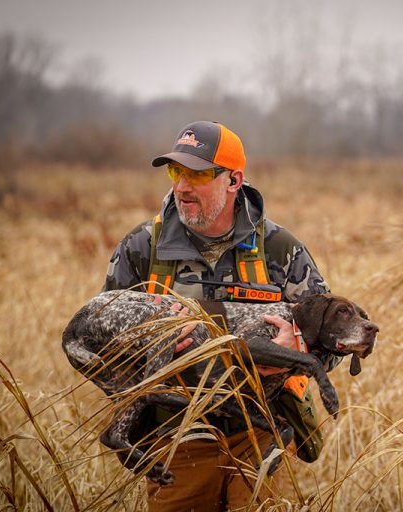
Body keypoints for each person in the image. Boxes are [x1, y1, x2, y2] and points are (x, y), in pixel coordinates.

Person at [102, 120, 332, 511]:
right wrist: (151, 347)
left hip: (263, 436)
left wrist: (294, 352)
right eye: (176, 171)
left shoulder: (280, 250)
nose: (181, 186)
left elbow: (332, 337)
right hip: (177, 442)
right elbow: (103, 343)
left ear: (233, 180)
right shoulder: (141, 248)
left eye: (198, 174)